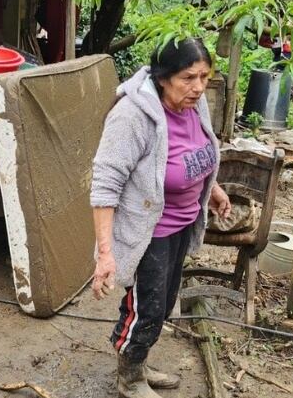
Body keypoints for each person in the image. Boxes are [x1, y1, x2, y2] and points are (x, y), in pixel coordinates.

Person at [90, 37, 232, 398]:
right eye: (188, 77)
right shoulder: (133, 116)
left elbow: (198, 151)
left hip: (182, 223)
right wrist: (106, 254)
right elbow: (105, 186)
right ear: (163, 77)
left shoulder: (193, 105)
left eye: (204, 76)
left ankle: (139, 363)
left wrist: (211, 189)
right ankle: (129, 374)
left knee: (163, 302)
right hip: (148, 231)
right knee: (147, 306)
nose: (198, 87)